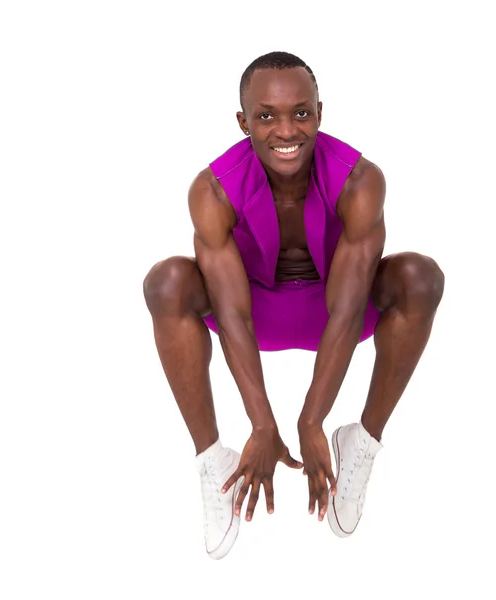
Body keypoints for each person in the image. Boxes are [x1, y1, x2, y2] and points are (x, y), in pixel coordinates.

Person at [143, 51, 445, 559]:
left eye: (300, 113)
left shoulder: (360, 181)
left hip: (334, 312)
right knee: (166, 281)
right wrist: (262, 423)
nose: (286, 131)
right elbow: (232, 312)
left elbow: (349, 310)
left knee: (420, 276)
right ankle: (213, 460)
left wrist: (312, 421)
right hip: (251, 312)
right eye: (266, 117)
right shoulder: (212, 190)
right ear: (243, 123)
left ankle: (362, 444)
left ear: (320, 112)